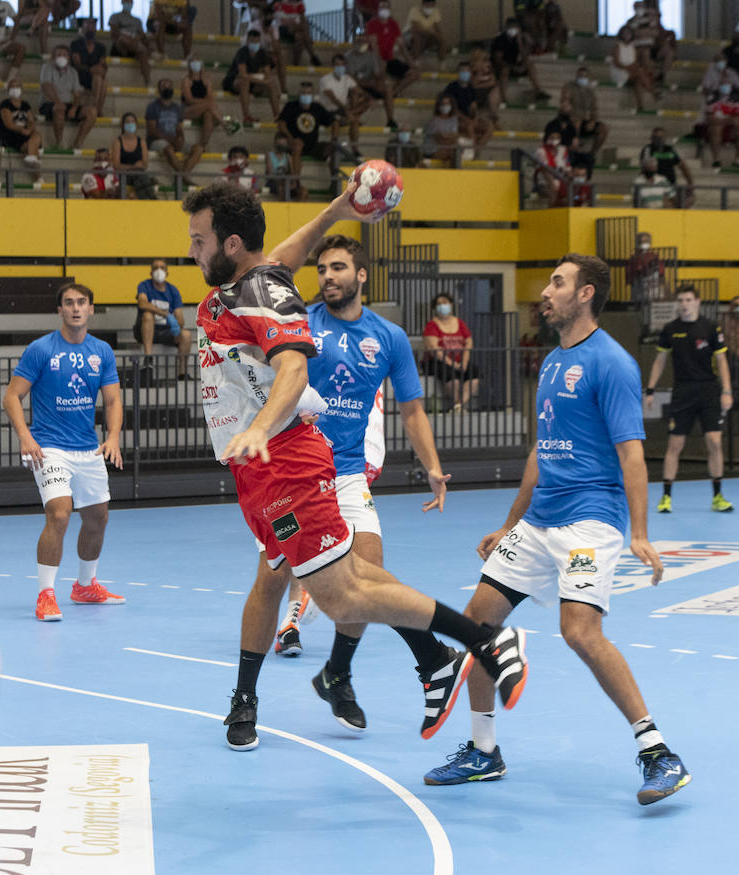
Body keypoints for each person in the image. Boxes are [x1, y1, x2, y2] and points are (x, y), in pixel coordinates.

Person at [180, 180, 527, 753]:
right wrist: (337, 210)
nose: (192, 251)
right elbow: (282, 256)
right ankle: (443, 660)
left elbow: (292, 371)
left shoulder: (264, 295)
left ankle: (481, 645)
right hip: (261, 473)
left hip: (284, 458)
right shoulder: (246, 281)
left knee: (341, 595)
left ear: (233, 243)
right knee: (347, 581)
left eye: (199, 241)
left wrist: (257, 430)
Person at [424, 254, 687, 807]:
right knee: (476, 623)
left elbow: (632, 454)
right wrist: (509, 525)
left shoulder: (612, 364)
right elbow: (542, 452)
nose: (546, 292)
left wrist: (639, 532)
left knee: (580, 632)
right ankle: (483, 751)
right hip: (540, 519)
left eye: (557, 283)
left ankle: (657, 750)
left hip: (591, 519)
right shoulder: (549, 362)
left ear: (586, 294)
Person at [268, 235, 459, 730]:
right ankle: (249, 692)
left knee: (370, 568)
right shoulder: (303, 324)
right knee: (271, 580)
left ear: (361, 276)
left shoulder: (389, 337)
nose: (327, 276)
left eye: (337, 268)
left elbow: (412, 410)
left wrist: (433, 468)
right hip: (298, 469)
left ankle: (338, 671)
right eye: (322, 269)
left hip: (348, 472)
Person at [3, 282, 124, 622]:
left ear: (91, 309)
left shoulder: (101, 351)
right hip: (49, 448)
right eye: (68, 303)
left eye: (81, 302)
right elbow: (12, 396)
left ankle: (85, 586)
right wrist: (25, 437)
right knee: (59, 513)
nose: (75, 308)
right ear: (59, 310)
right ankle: (46, 595)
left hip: (88, 449)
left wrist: (113, 437)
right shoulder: (41, 349)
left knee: (98, 518)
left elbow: (113, 399)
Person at [644, 285, 733, 514]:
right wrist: (650, 389)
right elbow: (660, 361)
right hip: (683, 392)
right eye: (681, 300)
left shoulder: (710, 328)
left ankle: (718, 496)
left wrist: (727, 391)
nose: (684, 304)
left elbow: (722, 361)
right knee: (676, 444)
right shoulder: (670, 329)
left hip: (709, 391)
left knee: (714, 441)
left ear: (697, 302)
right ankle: (665, 497)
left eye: (688, 299)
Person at [135, 258, 192, 379]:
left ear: (167, 273)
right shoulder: (144, 286)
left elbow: (180, 317)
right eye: (155, 268)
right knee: (148, 315)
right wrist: (166, 314)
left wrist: (177, 325)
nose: (159, 271)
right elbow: (143, 303)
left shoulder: (173, 290)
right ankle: (148, 359)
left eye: (162, 268)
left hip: (167, 331)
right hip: (145, 330)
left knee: (186, 335)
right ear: (151, 273)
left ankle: (182, 373)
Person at [422, 291, 477, 410]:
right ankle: (458, 404)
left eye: (445, 303)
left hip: (459, 361)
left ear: (451, 304)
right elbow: (433, 348)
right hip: (438, 362)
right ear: (435, 308)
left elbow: (468, 343)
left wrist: (464, 362)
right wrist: (453, 364)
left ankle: (459, 405)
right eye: (439, 304)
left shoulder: (460, 323)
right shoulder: (432, 325)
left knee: (474, 374)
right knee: (452, 377)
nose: (442, 306)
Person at [39, 43, 95, 149]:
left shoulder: (73, 72)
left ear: (69, 58)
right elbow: (47, 86)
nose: (62, 57)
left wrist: (74, 107)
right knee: (59, 109)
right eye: (59, 54)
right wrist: (58, 102)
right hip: (49, 104)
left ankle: (78, 142)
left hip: (68, 105)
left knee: (92, 111)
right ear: (53, 56)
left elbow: (77, 94)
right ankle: (59, 142)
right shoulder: (47, 67)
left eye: (65, 55)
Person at [146, 76, 201, 179]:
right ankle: (183, 178)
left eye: (169, 85)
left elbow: (179, 128)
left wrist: (180, 138)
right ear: (159, 90)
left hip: (174, 139)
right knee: (168, 149)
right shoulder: (152, 107)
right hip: (158, 141)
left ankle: (183, 175)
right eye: (164, 85)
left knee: (198, 149)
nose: (167, 87)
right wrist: (171, 139)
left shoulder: (177, 108)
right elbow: (152, 131)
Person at [277, 79, 336, 174]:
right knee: (297, 146)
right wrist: (290, 139)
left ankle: (335, 184)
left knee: (335, 149)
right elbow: (281, 124)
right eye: (303, 92)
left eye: (308, 93)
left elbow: (334, 122)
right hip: (294, 143)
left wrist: (334, 139)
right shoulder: (291, 106)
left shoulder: (317, 108)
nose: (306, 95)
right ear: (299, 94)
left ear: (312, 95)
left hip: (313, 145)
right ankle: (295, 182)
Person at [223, 29, 281, 123]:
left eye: (257, 41)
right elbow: (243, 75)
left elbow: (268, 74)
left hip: (253, 82)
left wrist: (265, 80)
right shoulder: (242, 52)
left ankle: (278, 116)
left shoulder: (262, 53)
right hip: (234, 82)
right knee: (245, 82)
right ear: (247, 41)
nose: (255, 44)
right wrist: (263, 81)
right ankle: (246, 116)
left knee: (272, 83)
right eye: (252, 41)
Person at [364, 0, 419, 97]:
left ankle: (394, 93)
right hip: (374, 59)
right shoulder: (372, 24)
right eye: (382, 7)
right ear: (378, 9)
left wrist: (411, 62)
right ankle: (387, 93)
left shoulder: (393, 24)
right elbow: (374, 46)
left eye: (386, 7)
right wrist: (380, 63)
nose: (384, 9)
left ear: (389, 9)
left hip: (390, 59)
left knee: (415, 74)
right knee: (380, 77)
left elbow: (401, 46)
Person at [491, 17, 548, 104]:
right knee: (505, 70)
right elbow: (498, 60)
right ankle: (503, 98)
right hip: (502, 67)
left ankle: (538, 91)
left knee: (530, 64)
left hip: (514, 65)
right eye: (511, 27)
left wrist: (519, 43)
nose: (513, 30)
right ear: (506, 28)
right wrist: (513, 67)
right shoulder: (500, 40)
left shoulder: (520, 39)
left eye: (515, 27)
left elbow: (525, 57)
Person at [320, 53, 368, 152]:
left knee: (354, 121)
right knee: (335, 122)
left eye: (342, 65)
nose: (340, 67)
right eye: (337, 64)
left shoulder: (347, 78)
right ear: (332, 66)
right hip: (327, 112)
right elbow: (333, 99)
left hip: (341, 111)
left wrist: (365, 98)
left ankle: (355, 150)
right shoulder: (325, 79)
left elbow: (358, 91)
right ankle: (334, 149)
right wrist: (347, 111)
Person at [348, 34, 396, 130]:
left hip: (370, 85)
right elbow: (352, 79)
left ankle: (390, 119)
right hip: (356, 86)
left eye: (363, 41)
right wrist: (369, 85)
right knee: (355, 92)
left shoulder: (371, 56)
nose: (361, 43)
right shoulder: (348, 57)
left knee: (388, 89)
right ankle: (355, 119)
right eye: (359, 41)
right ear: (354, 43)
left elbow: (377, 74)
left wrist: (378, 82)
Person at [0, 76, 41, 175]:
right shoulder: (5, 105)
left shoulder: (25, 105)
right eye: (12, 86)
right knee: (28, 147)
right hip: (11, 134)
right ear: (8, 89)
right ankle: (38, 176)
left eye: (17, 86)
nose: (15, 88)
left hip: (25, 133)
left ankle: (32, 157)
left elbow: (31, 120)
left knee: (37, 135)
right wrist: (23, 130)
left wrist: (30, 129)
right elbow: (9, 124)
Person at [560, 66, 607, 157]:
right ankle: (574, 146)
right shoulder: (569, 87)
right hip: (570, 119)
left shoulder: (590, 92)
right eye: (580, 76)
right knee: (576, 121)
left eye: (585, 76)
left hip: (584, 121)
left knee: (604, 128)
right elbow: (564, 102)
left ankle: (592, 153)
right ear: (576, 76)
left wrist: (593, 121)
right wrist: (566, 106)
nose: (582, 78)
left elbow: (594, 109)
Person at [641, 126, 693, 207]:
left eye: (661, 137)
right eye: (656, 137)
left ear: (665, 138)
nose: (658, 140)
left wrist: (690, 183)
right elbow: (645, 168)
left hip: (671, 185)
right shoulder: (648, 149)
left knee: (691, 198)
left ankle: (677, 213)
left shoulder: (670, 149)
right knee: (666, 202)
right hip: (656, 185)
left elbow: (683, 166)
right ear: (651, 138)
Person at [111, 111, 155, 199]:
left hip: (138, 174)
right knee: (142, 178)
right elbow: (116, 165)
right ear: (122, 125)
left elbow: (145, 164)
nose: (130, 124)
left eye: (132, 121)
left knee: (141, 178)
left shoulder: (141, 141)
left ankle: (147, 201)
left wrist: (134, 168)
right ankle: (152, 201)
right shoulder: (117, 142)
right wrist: (133, 166)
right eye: (127, 122)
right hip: (123, 175)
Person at [179, 57, 221, 146]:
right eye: (193, 61)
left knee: (208, 115)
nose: (196, 63)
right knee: (209, 105)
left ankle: (202, 145)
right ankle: (223, 122)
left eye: (197, 61)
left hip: (203, 108)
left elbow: (210, 97)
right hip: (187, 109)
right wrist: (205, 102)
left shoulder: (207, 79)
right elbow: (189, 100)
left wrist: (205, 103)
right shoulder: (186, 80)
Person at [109, 0, 152, 86]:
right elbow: (114, 33)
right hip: (120, 47)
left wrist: (142, 39)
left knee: (143, 55)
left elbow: (143, 36)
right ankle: (146, 50)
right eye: (126, 1)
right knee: (123, 39)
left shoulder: (137, 20)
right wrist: (130, 37)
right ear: (122, 2)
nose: (128, 3)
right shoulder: (115, 16)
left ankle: (148, 82)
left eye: (130, 1)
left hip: (134, 48)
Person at [704, 82, 739, 169]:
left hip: (729, 128)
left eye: (727, 83)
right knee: (716, 128)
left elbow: (738, 119)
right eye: (723, 83)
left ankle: (738, 159)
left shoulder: (735, 99)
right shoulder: (712, 98)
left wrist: (726, 121)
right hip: (715, 127)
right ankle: (716, 160)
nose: (725, 86)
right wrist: (729, 120)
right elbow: (711, 119)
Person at [69, 17, 107, 113]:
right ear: (82, 28)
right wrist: (91, 69)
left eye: (93, 25)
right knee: (98, 78)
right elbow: (77, 64)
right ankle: (96, 108)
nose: (91, 28)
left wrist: (100, 69)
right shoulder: (76, 44)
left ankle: (97, 107)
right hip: (79, 75)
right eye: (88, 25)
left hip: (94, 76)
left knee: (102, 80)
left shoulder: (101, 47)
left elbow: (103, 64)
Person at [609, 24, 651, 110]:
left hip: (632, 72)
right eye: (625, 33)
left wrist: (633, 68)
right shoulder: (617, 46)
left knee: (638, 82)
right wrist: (629, 68)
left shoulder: (633, 47)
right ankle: (650, 88)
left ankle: (640, 104)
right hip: (619, 71)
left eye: (628, 33)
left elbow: (635, 62)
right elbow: (616, 63)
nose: (627, 35)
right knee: (639, 74)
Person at [271, 0, 319, 68]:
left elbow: (303, 19)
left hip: (295, 29)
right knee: (302, 27)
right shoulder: (278, 2)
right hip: (282, 28)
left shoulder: (299, 2)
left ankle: (296, 63)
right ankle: (312, 55)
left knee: (300, 36)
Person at [626, 231, 664, 305]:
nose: (644, 243)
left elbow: (660, 271)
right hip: (638, 285)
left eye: (646, 241)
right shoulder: (634, 258)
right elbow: (631, 271)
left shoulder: (654, 256)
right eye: (641, 241)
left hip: (653, 285)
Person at [264, 131, 303, 199]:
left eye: (284, 144)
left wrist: (293, 183)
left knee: (303, 191)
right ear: (275, 143)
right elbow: (270, 173)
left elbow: (292, 173)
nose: (282, 146)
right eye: (280, 144)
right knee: (281, 188)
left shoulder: (288, 156)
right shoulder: (269, 155)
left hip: (286, 181)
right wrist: (283, 183)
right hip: (273, 182)